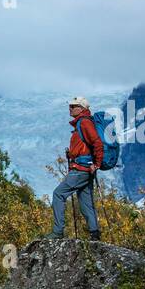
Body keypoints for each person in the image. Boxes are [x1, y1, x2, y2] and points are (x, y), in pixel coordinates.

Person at [48, 96, 102, 240]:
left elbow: (97, 142)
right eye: (70, 106)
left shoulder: (84, 123)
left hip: (81, 169)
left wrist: (96, 164)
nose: (70, 108)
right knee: (85, 203)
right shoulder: (82, 123)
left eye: (73, 106)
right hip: (85, 168)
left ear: (82, 108)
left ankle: (57, 231)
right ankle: (95, 234)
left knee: (58, 194)